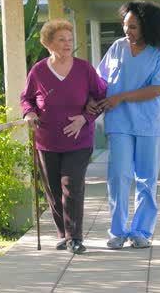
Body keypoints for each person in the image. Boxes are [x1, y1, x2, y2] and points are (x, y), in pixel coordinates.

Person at [21, 19, 107, 254]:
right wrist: (29, 113)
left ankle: (75, 237)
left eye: (70, 39)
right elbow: (26, 98)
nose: (67, 44)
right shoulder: (38, 70)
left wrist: (85, 119)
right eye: (62, 39)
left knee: (72, 186)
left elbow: (102, 96)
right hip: (46, 140)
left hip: (79, 139)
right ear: (48, 43)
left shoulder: (84, 69)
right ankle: (63, 233)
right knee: (53, 189)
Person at [92, 1, 160, 249]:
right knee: (118, 176)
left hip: (149, 122)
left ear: (147, 27)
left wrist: (121, 96)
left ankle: (141, 231)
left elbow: (157, 88)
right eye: (125, 26)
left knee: (147, 179)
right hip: (119, 123)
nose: (128, 31)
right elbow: (100, 79)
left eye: (133, 27)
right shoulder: (117, 48)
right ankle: (118, 231)